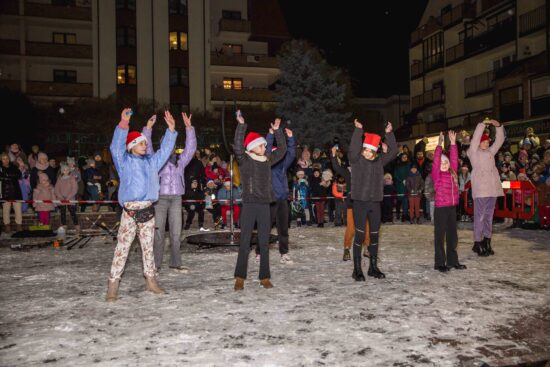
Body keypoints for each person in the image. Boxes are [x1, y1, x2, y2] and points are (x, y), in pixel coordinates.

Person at [105, 108, 177, 302]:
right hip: (129, 211)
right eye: (141, 142)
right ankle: (113, 285)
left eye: (146, 142)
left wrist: (171, 131)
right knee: (122, 249)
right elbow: (115, 146)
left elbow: (164, 152)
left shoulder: (152, 162)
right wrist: (123, 124)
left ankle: (151, 281)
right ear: (131, 146)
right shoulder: (124, 161)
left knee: (148, 248)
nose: (145, 144)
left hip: (147, 210)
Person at [233, 110, 287, 291]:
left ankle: (264, 276)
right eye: (262, 145)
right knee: (245, 242)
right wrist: (241, 126)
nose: (265, 148)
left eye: (265, 145)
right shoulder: (245, 161)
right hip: (249, 205)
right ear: (253, 147)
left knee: (264, 242)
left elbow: (283, 150)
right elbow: (238, 148)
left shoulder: (267, 160)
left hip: (264, 204)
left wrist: (278, 131)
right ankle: (240, 276)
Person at [142, 112, 196, 273]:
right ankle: (156, 265)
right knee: (158, 234)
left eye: (172, 144)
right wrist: (148, 128)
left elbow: (191, 148)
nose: (170, 147)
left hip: (177, 198)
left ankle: (175, 262)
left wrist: (189, 128)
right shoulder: (156, 159)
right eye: (167, 143)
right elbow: (148, 146)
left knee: (175, 232)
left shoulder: (180, 161)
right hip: (160, 199)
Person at [348, 119, 397, 281]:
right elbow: (352, 151)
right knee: (360, 236)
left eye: (371, 151)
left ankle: (373, 267)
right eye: (365, 150)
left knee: (375, 236)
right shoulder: (356, 160)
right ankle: (357, 269)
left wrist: (389, 134)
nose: (368, 153)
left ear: (375, 151)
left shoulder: (379, 162)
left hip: (375, 203)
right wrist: (358, 131)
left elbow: (393, 152)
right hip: (360, 203)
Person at [467, 119, 505, 256]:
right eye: (484, 141)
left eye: (488, 141)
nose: (487, 143)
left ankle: (487, 240)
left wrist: (498, 126)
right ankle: (477, 242)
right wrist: (483, 124)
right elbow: (475, 138)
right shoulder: (473, 153)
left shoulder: (490, 152)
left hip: (492, 189)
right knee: (480, 217)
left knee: (489, 217)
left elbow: (500, 141)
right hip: (481, 190)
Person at [432, 131, 467, 272]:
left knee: (453, 236)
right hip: (441, 209)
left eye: (445, 162)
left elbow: (454, 159)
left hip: (452, 208)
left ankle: (453, 261)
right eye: (441, 162)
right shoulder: (437, 176)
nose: (444, 164)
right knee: (440, 236)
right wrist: (439, 145)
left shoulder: (452, 173)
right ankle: (439, 263)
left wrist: (453, 143)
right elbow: (435, 161)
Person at [0, 152, 23, 233]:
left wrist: (7, 176)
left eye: (7, 158)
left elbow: (19, 175)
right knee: (6, 211)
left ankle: (19, 226)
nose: (5, 160)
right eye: (3, 159)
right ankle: (7, 226)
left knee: (18, 210)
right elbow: (2, 177)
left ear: (9, 159)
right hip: (5, 192)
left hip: (16, 192)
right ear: (1, 160)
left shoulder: (13, 167)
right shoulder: (0, 168)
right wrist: (9, 176)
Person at [54, 163, 79, 232]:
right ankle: (64, 225)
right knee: (63, 213)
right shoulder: (59, 179)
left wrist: (68, 197)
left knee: (72, 212)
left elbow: (75, 189)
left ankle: (76, 225)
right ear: (62, 171)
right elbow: (56, 189)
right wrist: (60, 196)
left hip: (70, 198)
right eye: (64, 170)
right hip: (61, 198)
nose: (66, 171)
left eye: (67, 170)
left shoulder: (72, 178)